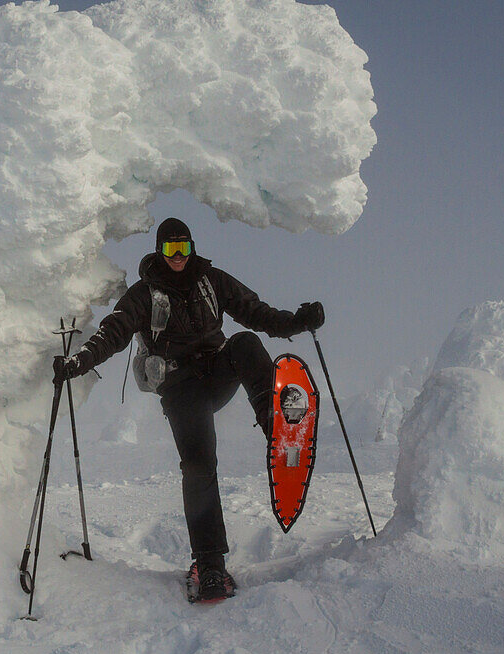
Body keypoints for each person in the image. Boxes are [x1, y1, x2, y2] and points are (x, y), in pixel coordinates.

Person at [53, 217, 324, 603]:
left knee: (245, 342)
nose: (178, 257)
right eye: (170, 249)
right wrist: (77, 362)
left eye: (183, 248)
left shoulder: (211, 281)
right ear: (160, 251)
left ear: (192, 247)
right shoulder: (143, 294)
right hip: (181, 388)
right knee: (199, 465)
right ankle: (210, 565)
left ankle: (275, 422)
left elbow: (255, 312)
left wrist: (297, 321)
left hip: (216, 374)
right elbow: (113, 332)